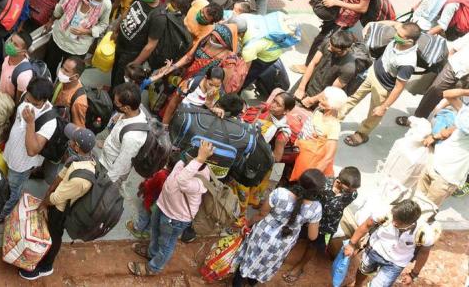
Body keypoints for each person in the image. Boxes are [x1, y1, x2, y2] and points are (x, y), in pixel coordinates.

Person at [128, 141, 215, 277]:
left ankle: (154, 267)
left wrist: (199, 159)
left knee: (166, 245)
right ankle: (152, 252)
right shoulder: (185, 161)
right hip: (163, 206)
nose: (186, 156)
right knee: (155, 232)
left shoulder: (200, 180)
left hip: (175, 218)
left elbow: (181, 180)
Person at [23, 124, 98, 280]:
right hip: (57, 200)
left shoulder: (81, 178)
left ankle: (46, 266)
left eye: (72, 141)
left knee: (54, 235)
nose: (69, 142)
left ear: (77, 146)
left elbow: (57, 199)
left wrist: (44, 204)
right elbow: (60, 178)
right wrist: (47, 195)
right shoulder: (76, 158)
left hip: (61, 210)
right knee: (49, 231)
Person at [232, 169, 325, 287]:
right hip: (283, 242)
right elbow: (312, 236)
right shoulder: (316, 208)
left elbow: (261, 214)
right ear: (317, 191)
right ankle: (252, 281)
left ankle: (238, 282)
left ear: (299, 180)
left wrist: (248, 224)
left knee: (250, 255)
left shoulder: (280, 193)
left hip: (262, 234)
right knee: (266, 262)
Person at [341, 21, 420, 147]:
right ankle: (336, 118)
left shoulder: (408, 62)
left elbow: (399, 88)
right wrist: (372, 23)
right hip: (372, 72)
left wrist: (384, 107)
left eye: (400, 36)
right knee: (352, 97)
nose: (396, 36)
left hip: (383, 87)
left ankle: (362, 133)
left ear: (410, 42)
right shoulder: (401, 32)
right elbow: (395, 24)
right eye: (397, 33)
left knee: (374, 113)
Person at [283, 167, 361, 283]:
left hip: (327, 227)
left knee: (313, 246)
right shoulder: (323, 184)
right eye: (349, 190)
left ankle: (300, 267)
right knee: (294, 237)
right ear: (338, 182)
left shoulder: (353, 195)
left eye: (354, 190)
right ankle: (282, 255)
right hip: (308, 219)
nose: (352, 193)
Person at [1, 78, 57, 219]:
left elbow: (32, 151)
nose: (29, 106)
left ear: (45, 101)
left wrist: (31, 123)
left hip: (22, 164)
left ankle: (3, 214)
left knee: (12, 190)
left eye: (35, 104)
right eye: (28, 100)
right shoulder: (25, 96)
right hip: (10, 152)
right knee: (5, 183)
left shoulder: (50, 121)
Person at [342, 199, 431, 287]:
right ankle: (357, 285)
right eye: (394, 218)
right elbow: (366, 226)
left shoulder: (424, 233)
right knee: (363, 271)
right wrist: (351, 244)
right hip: (374, 250)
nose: (393, 223)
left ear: (411, 223)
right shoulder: (383, 213)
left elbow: (424, 253)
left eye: (398, 223)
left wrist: (413, 274)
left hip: (396, 263)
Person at [45, 0, 112, 76]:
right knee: (50, 66)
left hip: (78, 47)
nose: (98, 3)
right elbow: (60, 7)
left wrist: (86, 31)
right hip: (59, 37)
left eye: (100, 0)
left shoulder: (106, 4)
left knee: (69, 74)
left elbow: (103, 25)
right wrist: (51, 21)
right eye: (96, 0)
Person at [111, 0, 169, 88]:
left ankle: (113, 99)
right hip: (120, 42)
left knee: (121, 80)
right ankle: (110, 91)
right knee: (115, 68)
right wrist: (116, 29)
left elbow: (150, 45)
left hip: (131, 53)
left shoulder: (158, 17)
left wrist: (135, 63)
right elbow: (128, 10)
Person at [416, 105, 469, 205]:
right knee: (416, 199)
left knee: (426, 208)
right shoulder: (463, 123)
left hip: (446, 178)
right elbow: (448, 95)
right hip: (434, 163)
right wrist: (436, 137)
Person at [98, 83, 149, 184]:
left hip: (108, 168)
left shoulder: (132, 137)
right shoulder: (131, 112)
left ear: (126, 108)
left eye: (116, 103)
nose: (114, 103)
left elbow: (122, 164)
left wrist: (106, 181)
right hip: (105, 157)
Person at [293, 87, 347, 180]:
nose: (319, 100)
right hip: (300, 147)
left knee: (301, 178)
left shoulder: (334, 126)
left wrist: (314, 175)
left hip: (311, 158)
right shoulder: (318, 110)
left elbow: (329, 156)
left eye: (324, 99)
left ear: (331, 105)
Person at [294, 30, 357, 108]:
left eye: (333, 49)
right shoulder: (329, 42)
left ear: (344, 50)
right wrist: (301, 87)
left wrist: (312, 100)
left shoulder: (349, 68)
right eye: (330, 45)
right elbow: (313, 63)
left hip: (319, 96)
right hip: (307, 82)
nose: (329, 48)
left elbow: (332, 90)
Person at [52, 56, 87, 128]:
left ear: (75, 77)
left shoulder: (79, 102)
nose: (61, 71)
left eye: (66, 71)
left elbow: (78, 128)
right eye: (62, 67)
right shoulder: (62, 82)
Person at [0, 30, 34, 100]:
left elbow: (18, 100)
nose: (10, 44)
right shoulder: (8, 57)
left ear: (23, 52)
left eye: (15, 45)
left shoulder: (24, 76)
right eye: (11, 40)